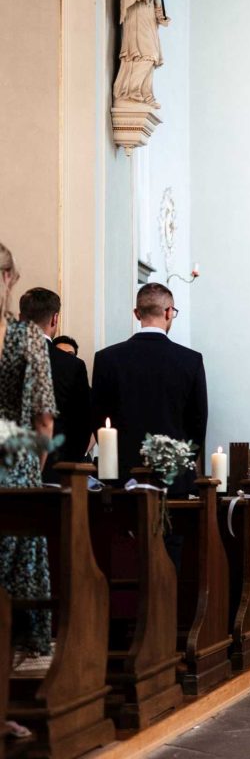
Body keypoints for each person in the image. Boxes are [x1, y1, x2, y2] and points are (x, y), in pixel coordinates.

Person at [0, 244, 56, 739]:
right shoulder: (25, 339)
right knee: (12, 593)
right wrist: (31, 471)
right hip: (11, 472)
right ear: (11, 278)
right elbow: (42, 418)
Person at [91, 283, 207, 486]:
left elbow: (98, 417)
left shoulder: (106, 359)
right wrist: (181, 461)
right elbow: (198, 422)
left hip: (122, 475)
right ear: (169, 312)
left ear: (137, 313)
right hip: (174, 476)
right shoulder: (190, 360)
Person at [18, 288, 91, 482]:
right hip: (55, 471)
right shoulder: (72, 365)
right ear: (55, 319)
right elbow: (82, 424)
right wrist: (68, 466)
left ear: (20, 317)